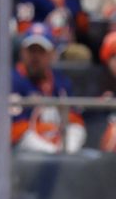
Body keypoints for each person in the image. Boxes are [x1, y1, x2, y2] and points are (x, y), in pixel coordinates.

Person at [6, 22, 86, 153]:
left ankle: (66, 156)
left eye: (41, 51)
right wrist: (51, 145)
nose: (35, 57)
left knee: (77, 130)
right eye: (32, 51)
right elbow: (13, 130)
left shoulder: (61, 82)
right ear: (22, 52)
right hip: (25, 151)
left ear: (52, 54)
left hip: (59, 142)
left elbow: (75, 120)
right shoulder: (11, 81)